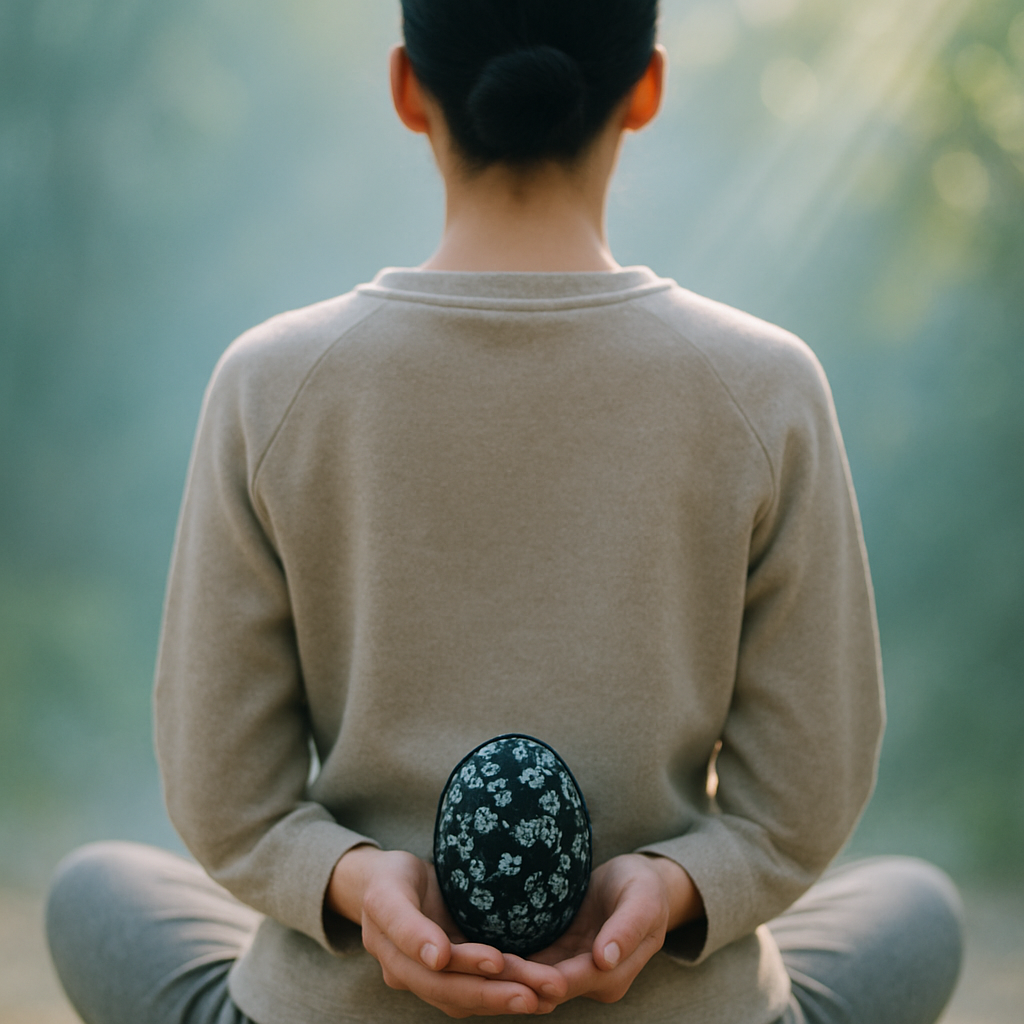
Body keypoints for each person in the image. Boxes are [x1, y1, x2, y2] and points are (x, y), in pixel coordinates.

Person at [46, 2, 965, 1022]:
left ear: (406, 88)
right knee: (916, 905)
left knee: (97, 887)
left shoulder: (271, 383)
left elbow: (226, 797)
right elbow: (803, 799)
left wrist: (359, 884)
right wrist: (666, 891)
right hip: (679, 1007)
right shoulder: (768, 387)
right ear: (647, 89)